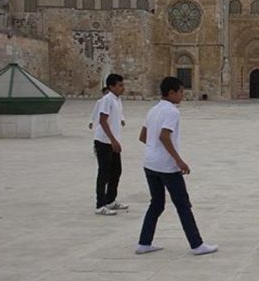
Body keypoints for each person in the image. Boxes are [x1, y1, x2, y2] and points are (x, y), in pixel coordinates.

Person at [136, 77, 217, 255]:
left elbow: (143, 136)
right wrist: (178, 160)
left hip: (149, 164)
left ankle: (144, 242)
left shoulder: (153, 110)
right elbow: (164, 136)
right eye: (180, 91)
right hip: (167, 166)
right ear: (171, 93)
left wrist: (154, 151)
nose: (182, 95)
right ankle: (196, 244)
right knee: (183, 204)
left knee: (156, 204)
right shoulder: (172, 112)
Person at [93, 74, 128, 215]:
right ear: (111, 86)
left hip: (113, 142)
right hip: (104, 141)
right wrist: (113, 140)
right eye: (120, 85)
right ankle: (100, 204)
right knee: (104, 173)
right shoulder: (107, 100)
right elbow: (102, 120)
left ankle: (110, 200)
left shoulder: (117, 100)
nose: (122, 88)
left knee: (116, 171)